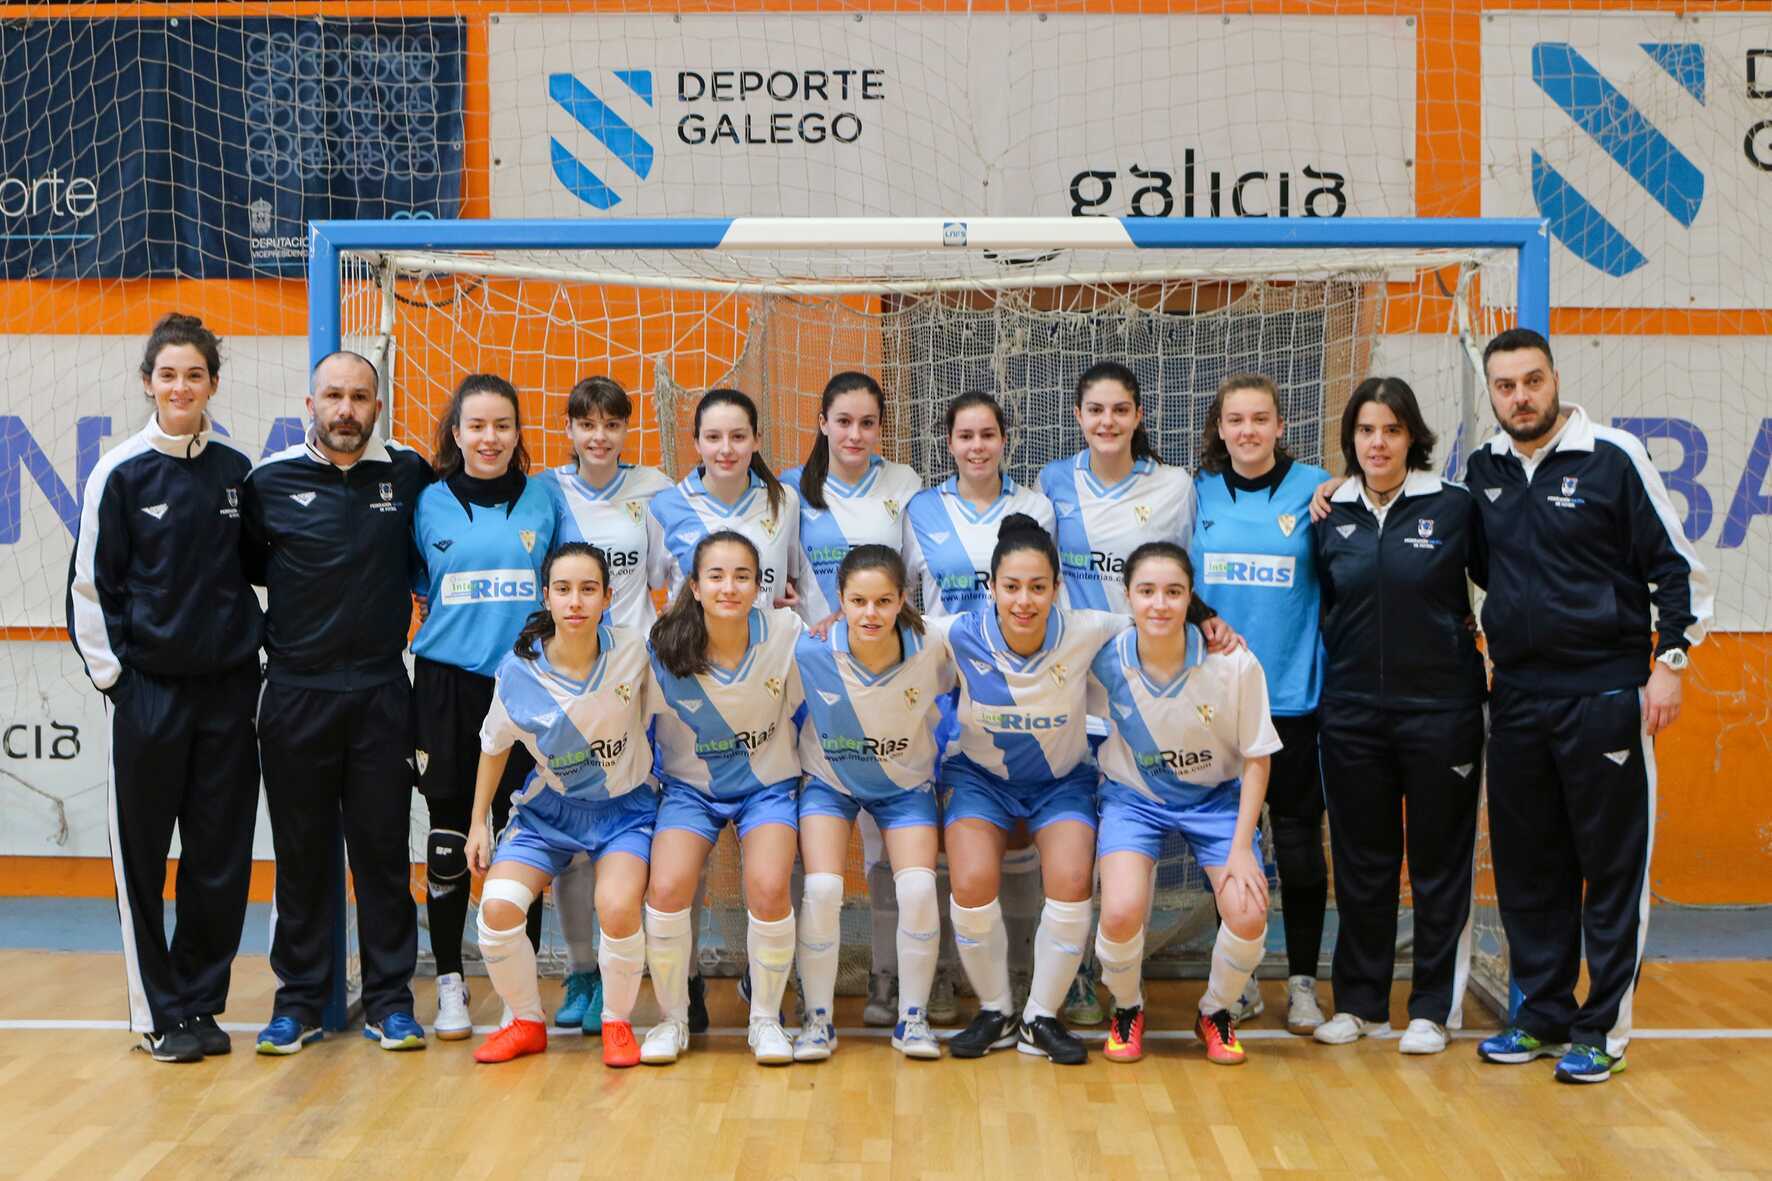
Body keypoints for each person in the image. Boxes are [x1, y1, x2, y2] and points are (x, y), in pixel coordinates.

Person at [1466, 329, 1711, 1084]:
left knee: (1610, 870)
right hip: (1516, 699)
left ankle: (1602, 1028)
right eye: (1506, 386)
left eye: (1532, 380)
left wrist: (1670, 662)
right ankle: (1542, 1015)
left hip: (1605, 695)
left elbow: (1676, 569)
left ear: (1554, 378)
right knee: (1529, 868)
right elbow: (1471, 563)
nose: (1521, 397)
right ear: (1492, 392)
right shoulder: (1483, 469)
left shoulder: (1614, 456)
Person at [68, 313, 263, 1063]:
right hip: (149, 694)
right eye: (168, 374)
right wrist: (120, 683)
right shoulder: (118, 473)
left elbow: (260, 569)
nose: (181, 387)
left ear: (213, 383)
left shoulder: (236, 471)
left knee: (219, 856)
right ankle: (157, 1013)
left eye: (194, 374)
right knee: (143, 859)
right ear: (148, 382)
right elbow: (90, 589)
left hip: (228, 696)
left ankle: (199, 1003)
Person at [243, 350, 433, 1055]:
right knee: (301, 857)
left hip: (382, 693)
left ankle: (390, 1002)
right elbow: (246, 569)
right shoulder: (268, 482)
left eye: (359, 397)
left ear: (377, 406)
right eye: (333, 396)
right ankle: (297, 1003)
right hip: (296, 696)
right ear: (310, 405)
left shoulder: (408, 474)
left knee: (383, 856)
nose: (346, 409)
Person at [1310, 377, 1487, 1055]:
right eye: (1365, 430)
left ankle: (1433, 1009)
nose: (1377, 443)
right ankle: (1360, 1004)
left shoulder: (1455, 506)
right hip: (1352, 714)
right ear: (1350, 438)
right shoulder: (1329, 513)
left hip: (1442, 714)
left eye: (1391, 429)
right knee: (1363, 863)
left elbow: (1504, 585)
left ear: (1413, 435)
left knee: (1439, 863)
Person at [780, 372, 950, 1028]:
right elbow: (780, 576)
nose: (855, 434)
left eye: (868, 423)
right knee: (813, 856)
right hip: (816, 677)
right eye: (843, 421)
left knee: (891, 852)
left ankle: (892, 978)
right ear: (822, 422)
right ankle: (802, 983)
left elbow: (916, 579)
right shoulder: (791, 490)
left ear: (882, 427)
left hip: (889, 671)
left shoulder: (903, 484)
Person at [936, 514, 1128, 1065]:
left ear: (1057, 588)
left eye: (1038, 587)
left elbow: (1156, 614)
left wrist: (1209, 621)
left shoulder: (1088, 629)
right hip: (981, 781)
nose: (1024, 601)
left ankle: (1040, 1016)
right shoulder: (956, 633)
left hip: (1060, 783)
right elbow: (880, 626)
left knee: (1071, 880)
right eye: (1012, 587)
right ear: (992, 587)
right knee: (971, 881)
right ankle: (996, 1011)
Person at [1039, 360, 1198, 1026]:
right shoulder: (1052, 481)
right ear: (1078, 416)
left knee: (1135, 841)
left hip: (1146, 684)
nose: (1107, 421)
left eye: (1120, 409)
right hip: (1075, 685)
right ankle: (1077, 975)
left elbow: (1186, 578)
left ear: (1138, 416)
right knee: (1079, 836)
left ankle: (1128, 982)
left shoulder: (1174, 486)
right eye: (1095, 409)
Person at [465, 543, 658, 1069]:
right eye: (564, 589)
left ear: (608, 597)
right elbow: (493, 745)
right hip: (549, 812)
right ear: (546, 597)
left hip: (625, 811)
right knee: (498, 906)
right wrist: (478, 822)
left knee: (617, 907)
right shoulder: (518, 672)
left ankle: (617, 1022)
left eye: (588, 589)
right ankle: (525, 1022)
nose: (576, 602)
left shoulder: (634, 652)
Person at [1089, 543, 1277, 1065]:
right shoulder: (1103, 659)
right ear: (1128, 597)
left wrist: (1241, 849)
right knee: (1120, 911)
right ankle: (1127, 1006)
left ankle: (1216, 1011)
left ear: (1191, 596)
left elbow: (1258, 758)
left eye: (1173, 592)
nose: (1159, 604)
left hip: (1215, 801)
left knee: (1247, 912)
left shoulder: (1234, 663)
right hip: (1134, 798)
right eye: (1146, 591)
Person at [411, 373, 557, 1041]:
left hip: (526, 683)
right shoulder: (427, 502)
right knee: (448, 836)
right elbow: (418, 584)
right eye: (476, 426)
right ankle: (449, 980)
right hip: (447, 685)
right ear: (457, 433)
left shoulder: (545, 499)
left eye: (502, 425)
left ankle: (515, 992)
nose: (489, 438)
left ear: (518, 432)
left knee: (520, 836)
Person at [903, 392, 1056, 1013]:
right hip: (941, 686)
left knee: (1012, 830)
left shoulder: (1035, 506)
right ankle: (941, 969)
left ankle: (1019, 968)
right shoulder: (920, 509)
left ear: (1004, 439)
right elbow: (903, 595)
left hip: (1013, 684)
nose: (977, 447)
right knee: (939, 835)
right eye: (965, 436)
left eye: (987, 434)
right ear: (948, 442)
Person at [1189, 372, 1332, 1036]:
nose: (1247, 430)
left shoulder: (1318, 488)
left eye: (1259, 419)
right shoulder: (1196, 494)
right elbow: (1173, 579)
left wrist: (1341, 488)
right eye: (1235, 420)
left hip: (1294, 698)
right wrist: (1204, 618)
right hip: (1217, 701)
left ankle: (1301, 981)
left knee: (1298, 846)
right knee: (1229, 844)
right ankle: (1239, 980)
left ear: (1280, 426)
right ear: (1219, 429)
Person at [532, 376, 672, 1036]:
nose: (599, 436)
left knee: (628, 830)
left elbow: (671, 578)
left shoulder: (654, 489)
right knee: (576, 836)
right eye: (586, 424)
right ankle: (581, 970)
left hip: (634, 678)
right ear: (568, 429)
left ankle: (629, 970)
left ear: (625, 429)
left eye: (612, 424)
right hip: (569, 680)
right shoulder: (547, 491)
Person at [640, 531, 805, 1067]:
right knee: (667, 888)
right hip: (691, 791)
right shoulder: (660, 648)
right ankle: (673, 1019)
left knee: (770, 886)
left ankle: (765, 1019)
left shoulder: (785, 633)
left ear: (759, 585)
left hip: (767, 787)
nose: (729, 587)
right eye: (716, 576)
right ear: (694, 585)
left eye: (742, 577)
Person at [792, 545, 954, 1061]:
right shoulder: (810, 649)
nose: (871, 613)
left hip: (905, 787)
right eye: (858, 601)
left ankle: (913, 1018)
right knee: (821, 889)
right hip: (830, 782)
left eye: (884, 601)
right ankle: (817, 1019)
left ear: (903, 599)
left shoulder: (934, 643)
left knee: (919, 888)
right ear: (839, 602)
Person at [651, 388, 803, 607]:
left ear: (756, 440)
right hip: (691, 632)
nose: (726, 449)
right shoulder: (665, 506)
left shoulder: (784, 500)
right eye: (713, 437)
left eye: (738, 436)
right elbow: (650, 583)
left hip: (766, 630)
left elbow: (789, 580)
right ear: (697, 442)